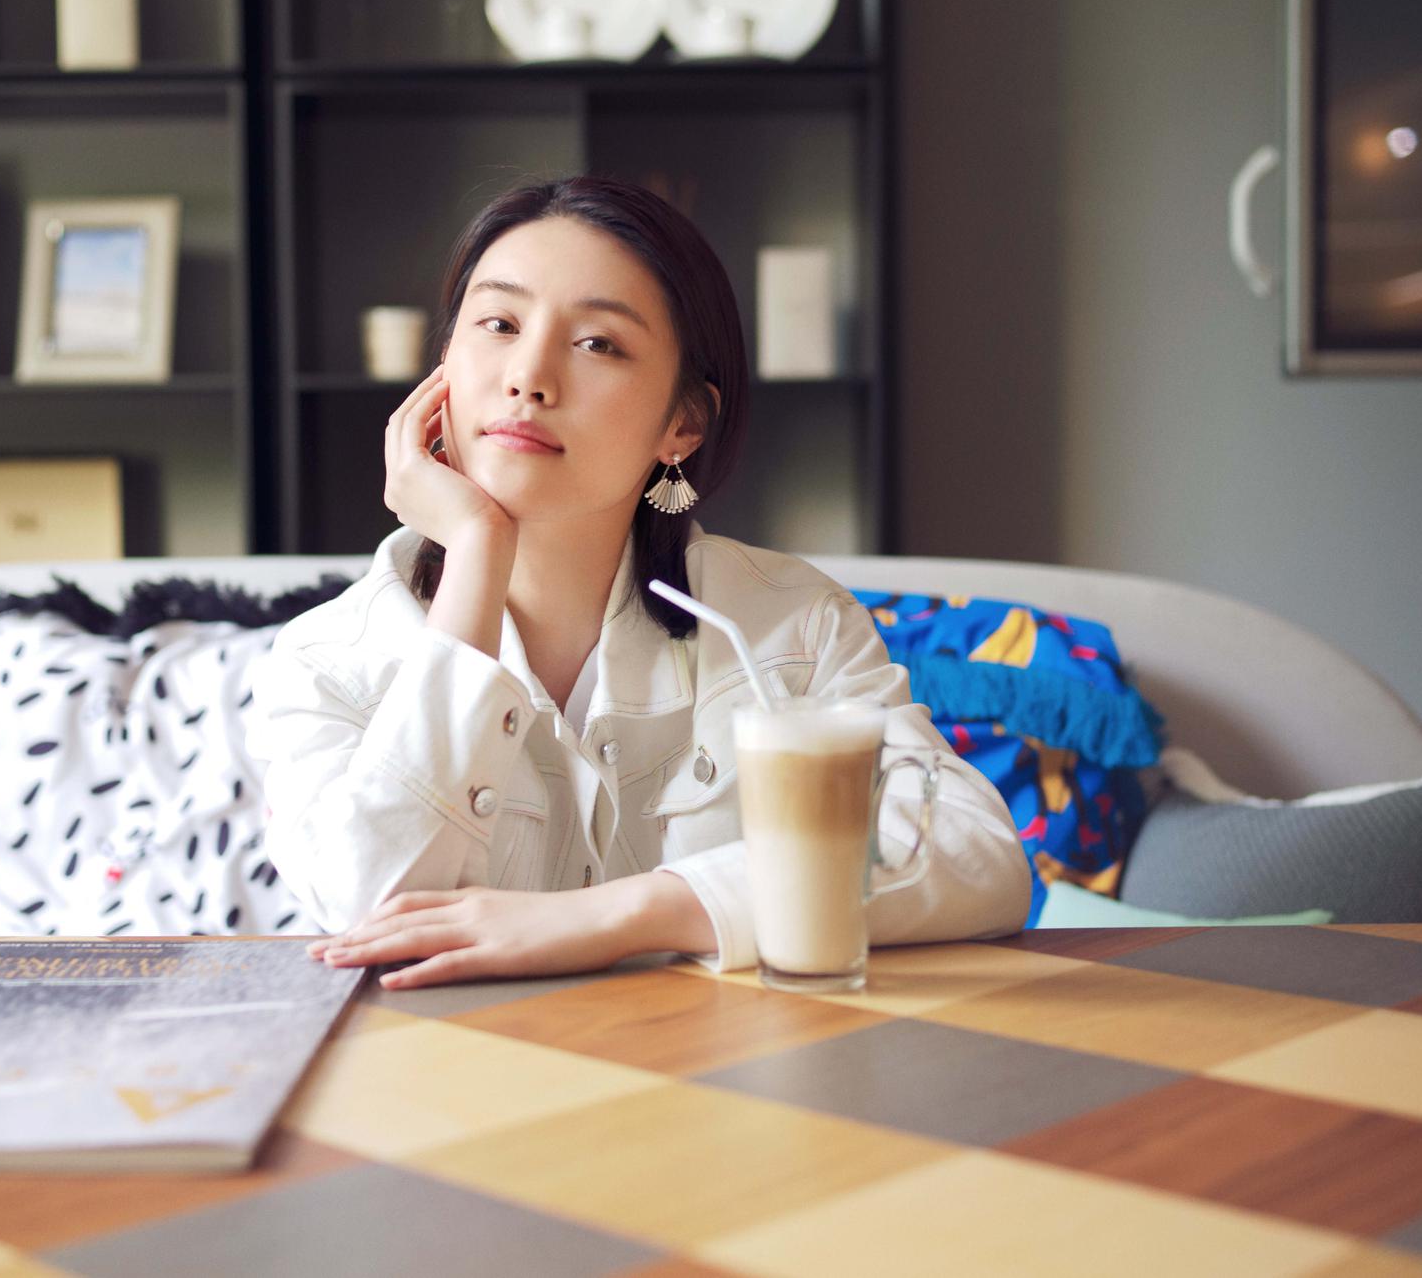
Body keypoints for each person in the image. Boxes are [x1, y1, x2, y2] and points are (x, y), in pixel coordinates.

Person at [243, 175, 1029, 990]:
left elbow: (977, 853)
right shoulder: (325, 658)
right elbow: (373, 911)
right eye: (499, 323)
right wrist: (477, 548)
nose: (528, 376)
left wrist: (621, 916)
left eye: (598, 344)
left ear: (682, 423)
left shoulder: (792, 627)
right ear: (442, 370)